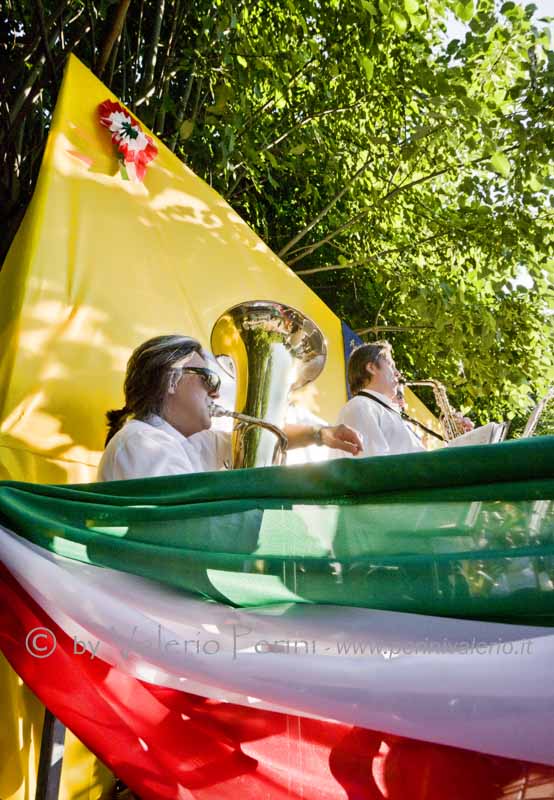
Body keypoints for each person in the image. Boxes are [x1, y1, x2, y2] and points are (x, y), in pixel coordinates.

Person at [98, 334, 362, 481]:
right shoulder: (142, 442)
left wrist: (320, 435)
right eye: (208, 379)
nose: (215, 391)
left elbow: (259, 437)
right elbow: (186, 530)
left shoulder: (189, 442)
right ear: (171, 379)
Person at [337, 341, 425, 458]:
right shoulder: (361, 406)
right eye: (391, 365)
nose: (397, 373)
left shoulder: (378, 408)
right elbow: (374, 467)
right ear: (371, 368)